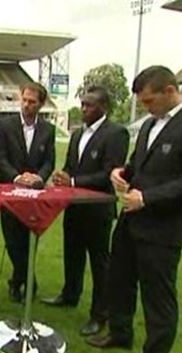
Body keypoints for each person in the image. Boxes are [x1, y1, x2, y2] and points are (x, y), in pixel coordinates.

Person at [86, 66, 182, 353]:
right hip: (130, 219)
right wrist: (122, 172)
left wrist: (149, 198)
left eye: (150, 101)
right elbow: (141, 163)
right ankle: (119, 332)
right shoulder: (152, 122)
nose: (146, 108)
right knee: (120, 279)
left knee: (158, 298)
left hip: (162, 228)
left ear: (170, 91)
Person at [42, 86, 129, 337]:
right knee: (73, 254)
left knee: (100, 263)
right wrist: (63, 176)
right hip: (74, 207)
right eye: (82, 104)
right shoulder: (78, 134)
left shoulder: (116, 133)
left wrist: (72, 182)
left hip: (97, 210)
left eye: (88, 105)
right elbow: (72, 166)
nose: (83, 109)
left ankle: (99, 314)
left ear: (103, 107)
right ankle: (70, 294)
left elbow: (109, 172)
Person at [0, 82, 55, 302]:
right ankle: (28, 281)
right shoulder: (5, 125)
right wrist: (17, 178)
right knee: (13, 241)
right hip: (9, 193)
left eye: (32, 102)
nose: (27, 105)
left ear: (41, 104)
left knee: (30, 241)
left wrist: (38, 177)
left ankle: (17, 281)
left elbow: (49, 160)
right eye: (24, 100)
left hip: (35, 195)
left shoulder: (48, 129)